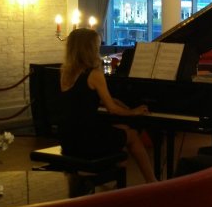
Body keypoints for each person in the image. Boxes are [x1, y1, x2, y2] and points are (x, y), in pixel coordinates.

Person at [60, 28, 158, 184]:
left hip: (69, 138)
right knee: (132, 135)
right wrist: (134, 111)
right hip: (87, 140)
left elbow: (81, 98)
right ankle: (152, 181)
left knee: (122, 130)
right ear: (89, 49)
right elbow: (112, 109)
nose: (99, 49)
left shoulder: (66, 73)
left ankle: (117, 178)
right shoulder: (94, 74)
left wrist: (112, 101)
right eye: (97, 46)